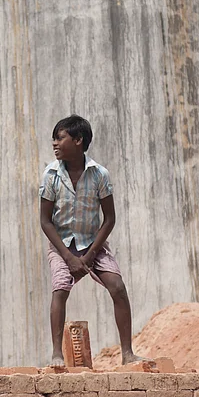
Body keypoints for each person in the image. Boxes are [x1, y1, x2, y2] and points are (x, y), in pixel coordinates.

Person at [39, 115, 146, 366]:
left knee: (118, 288)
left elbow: (109, 219)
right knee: (60, 289)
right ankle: (57, 354)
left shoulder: (99, 175)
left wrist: (89, 254)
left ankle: (128, 353)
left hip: (93, 245)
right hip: (62, 246)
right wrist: (68, 257)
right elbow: (45, 221)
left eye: (60, 138)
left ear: (78, 140)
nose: (54, 143)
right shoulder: (51, 175)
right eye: (54, 138)